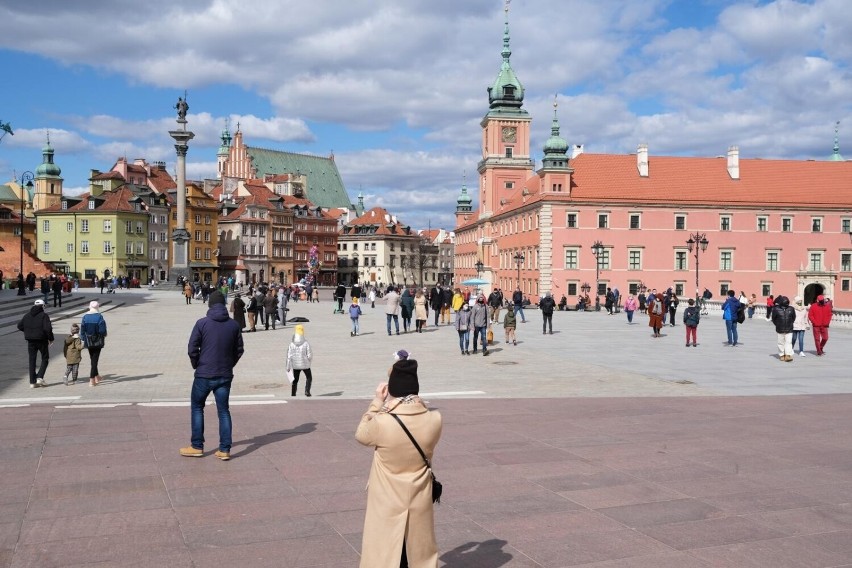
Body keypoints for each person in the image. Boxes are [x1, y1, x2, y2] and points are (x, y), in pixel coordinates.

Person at [355, 354, 442, 568]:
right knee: (416, 551)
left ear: (391, 390)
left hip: (387, 497)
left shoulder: (382, 422)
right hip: (418, 495)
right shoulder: (435, 419)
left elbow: (361, 434)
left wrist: (377, 402)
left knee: (386, 552)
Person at [180, 291, 243, 461]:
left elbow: (192, 348)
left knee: (197, 407)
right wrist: (229, 364)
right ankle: (224, 449)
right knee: (223, 411)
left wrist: (197, 364)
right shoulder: (234, 325)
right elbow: (239, 350)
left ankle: (197, 446)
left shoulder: (202, 324)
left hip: (204, 374)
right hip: (224, 375)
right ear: (223, 305)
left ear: (209, 304)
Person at [17, 299, 54, 388]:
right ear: (43, 306)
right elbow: (47, 329)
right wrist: (50, 338)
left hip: (30, 340)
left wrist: (28, 332)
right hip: (42, 340)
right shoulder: (44, 316)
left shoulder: (27, 315)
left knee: (32, 360)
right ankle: (39, 377)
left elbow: (19, 326)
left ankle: (32, 382)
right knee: (45, 358)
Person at [80, 300, 108, 386]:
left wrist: (83, 339)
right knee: (95, 360)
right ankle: (92, 380)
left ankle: (97, 376)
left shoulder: (85, 317)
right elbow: (102, 330)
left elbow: (82, 330)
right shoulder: (99, 317)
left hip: (88, 340)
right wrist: (104, 334)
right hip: (97, 340)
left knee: (92, 358)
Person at [286, 324, 313, 396]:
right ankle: (307, 391)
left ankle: (293, 393)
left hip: (295, 365)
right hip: (305, 364)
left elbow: (289, 356)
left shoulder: (291, 344)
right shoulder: (306, 342)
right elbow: (310, 355)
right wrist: (308, 361)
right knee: (309, 377)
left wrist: (288, 367)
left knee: (295, 380)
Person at [771, 295, 795, 362]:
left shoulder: (791, 309)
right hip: (780, 329)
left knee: (788, 342)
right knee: (780, 342)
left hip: (789, 329)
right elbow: (774, 319)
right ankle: (781, 355)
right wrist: (778, 324)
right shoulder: (776, 309)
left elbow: (793, 318)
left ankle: (787, 355)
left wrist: (790, 323)